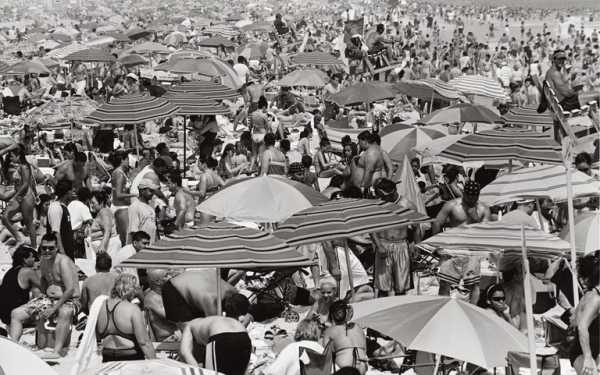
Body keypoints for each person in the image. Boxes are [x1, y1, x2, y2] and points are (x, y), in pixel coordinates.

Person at [10, 233, 80, 358]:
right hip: (49, 299)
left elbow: (70, 289)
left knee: (64, 312)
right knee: (16, 313)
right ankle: (14, 347)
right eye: (44, 248)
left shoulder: (63, 262)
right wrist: (41, 297)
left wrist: (54, 307)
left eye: (50, 248)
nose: (47, 250)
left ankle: (56, 352)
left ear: (57, 248)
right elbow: (43, 279)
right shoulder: (43, 260)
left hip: (70, 299)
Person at [370, 178, 420, 296]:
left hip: (401, 245)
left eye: (382, 195)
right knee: (382, 285)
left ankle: (400, 310)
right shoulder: (378, 205)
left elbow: (416, 227)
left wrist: (417, 246)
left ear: (391, 192)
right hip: (383, 244)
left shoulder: (407, 205)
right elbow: (371, 228)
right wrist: (378, 245)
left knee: (401, 285)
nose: (381, 198)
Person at [96, 273, 156, 362]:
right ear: (130, 289)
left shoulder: (101, 306)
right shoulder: (132, 309)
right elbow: (144, 342)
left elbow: (97, 335)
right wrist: (154, 362)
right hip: (130, 357)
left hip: (107, 357)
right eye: (135, 289)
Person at [180, 316, 252, 375]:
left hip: (221, 336)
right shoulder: (206, 321)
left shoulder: (187, 326)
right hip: (244, 336)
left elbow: (185, 353)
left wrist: (200, 372)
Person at [162, 270, 236, 322]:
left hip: (194, 280)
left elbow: (246, 313)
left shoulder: (233, 290)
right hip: (173, 288)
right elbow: (214, 326)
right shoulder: (210, 300)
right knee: (189, 327)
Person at [569, 250, 600, 375]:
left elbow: (573, 321)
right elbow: (582, 327)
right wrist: (588, 357)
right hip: (583, 352)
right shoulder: (594, 298)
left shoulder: (593, 296)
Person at [1, 143, 37, 247]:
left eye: (12, 156)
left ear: (18, 155)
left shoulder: (25, 166)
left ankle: (34, 247)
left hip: (26, 196)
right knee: (5, 217)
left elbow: (26, 184)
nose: (11, 158)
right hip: (19, 195)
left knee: (29, 222)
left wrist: (15, 197)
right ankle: (19, 237)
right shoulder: (18, 166)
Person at [324, 300, 368, 375]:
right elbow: (365, 349)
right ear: (347, 314)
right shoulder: (358, 327)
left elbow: (325, 355)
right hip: (362, 366)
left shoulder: (329, 331)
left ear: (332, 315)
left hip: (345, 368)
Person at [0, 245, 40, 326]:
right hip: (15, 315)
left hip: (4, 315)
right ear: (25, 260)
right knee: (36, 289)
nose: (34, 260)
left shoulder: (11, 271)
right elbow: (44, 286)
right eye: (32, 257)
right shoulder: (27, 271)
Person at [109, 150, 135, 245]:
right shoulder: (119, 174)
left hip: (123, 206)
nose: (129, 161)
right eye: (127, 159)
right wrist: (134, 195)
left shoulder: (121, 172)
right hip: (121, 207)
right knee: (125, 239)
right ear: (122, 160)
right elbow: (119, 194)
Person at [144, 269, 178, 341]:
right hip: (166, 340)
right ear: (158, 282)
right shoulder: (152, 298)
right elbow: (173, 318)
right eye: (166, 275)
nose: (170, 277)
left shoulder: (166, 294)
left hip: (176, 336)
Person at [356, 131, 393, 196]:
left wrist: (388, 182)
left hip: (379, 184)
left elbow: (390, 168)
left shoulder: (382, 152)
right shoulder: (367, 152)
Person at [47, 179, 76, 259]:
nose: (74, 192)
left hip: (68, 254)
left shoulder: (63, 207)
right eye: (71, 190)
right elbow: (56, 233)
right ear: (66, 192)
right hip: (60, 257)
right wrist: (63, 255)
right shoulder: (56, 208)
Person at [90, 189, 122, 257]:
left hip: (108, 248)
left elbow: (107, 230)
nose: (91, 205)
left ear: (101, 202)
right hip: (106, 247)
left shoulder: (104, 212)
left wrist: (102, 246)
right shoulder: (102, 212)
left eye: (93, 203)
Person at [128, 179, 157, 244]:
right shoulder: (135, 207)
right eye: (150, 191)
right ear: (142, 191)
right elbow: (133, 232)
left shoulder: (150, 207)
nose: (152, 193)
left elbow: (154, 229)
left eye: (153, 191)